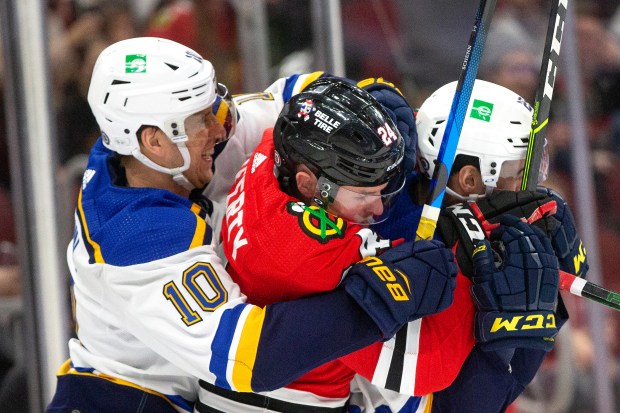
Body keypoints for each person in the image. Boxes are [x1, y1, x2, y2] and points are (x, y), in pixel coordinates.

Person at [45, 37, 458, 413]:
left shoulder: (172, 146)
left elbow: (297, 100)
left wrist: (366, 104)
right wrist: (383, 296)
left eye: (212, 107)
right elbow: (253, 356)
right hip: (123, 402)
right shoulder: (133, 239)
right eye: (200, 120)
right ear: (154, 141)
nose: (220, 127)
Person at [202, 77, 564, 412]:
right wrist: (512, 321)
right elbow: (426, 370)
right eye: (365, 193)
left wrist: (369, 109)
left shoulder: (272, 151)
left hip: (247, 385)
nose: (378, 207)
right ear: (309, 184)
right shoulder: (312, 259)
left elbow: (316, 99)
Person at [357, 78, 586, 412]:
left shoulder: (464, 234)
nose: (535, 188)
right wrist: (509, 334)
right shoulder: (404, 251)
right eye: (522, 173)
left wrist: (548, 299)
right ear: (471, 180)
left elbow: (506, 389)